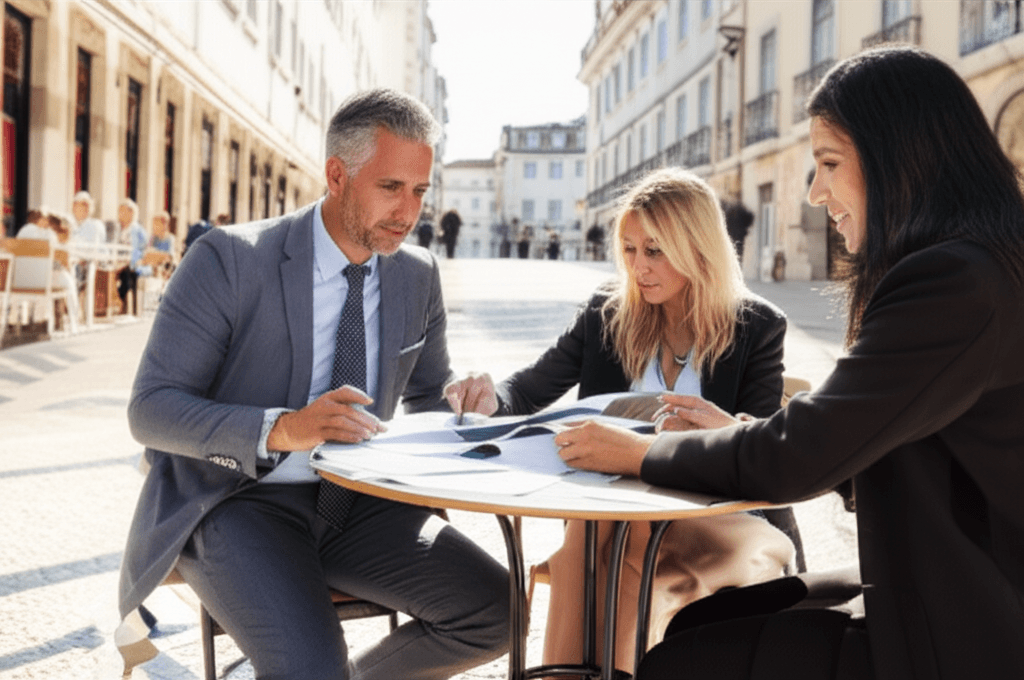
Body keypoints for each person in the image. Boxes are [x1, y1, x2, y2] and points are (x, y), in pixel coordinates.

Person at [547, 47, 1024, 680]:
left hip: (972, 626)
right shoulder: (982, 264)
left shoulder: (954, 281)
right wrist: (741, 429)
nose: (815, 192)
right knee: (698, 626)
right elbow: (869, 443)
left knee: (681, 661)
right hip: (963, 586)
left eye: (829, 163)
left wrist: (636, 453)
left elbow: (801, 456)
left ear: (900, 160)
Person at [116, 88, 509, 680]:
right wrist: (282, 428)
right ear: (336, 174)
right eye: (391, 187)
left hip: (361, 504)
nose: (409, 211)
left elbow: (429, 391)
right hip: (239, 501)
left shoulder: (417, 275)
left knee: (500, 611)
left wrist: (462, 397)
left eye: (420, 191)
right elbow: (150, 408)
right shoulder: (228, 259)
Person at [446, 167, 800, 674]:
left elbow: (763, 442)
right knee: (599, 543)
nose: (638, 267)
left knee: (593, 553)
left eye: (655, 250)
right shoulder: (607, 314)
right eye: (629, 249)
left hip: (720, 520)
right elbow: (524, 390)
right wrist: (486, 396)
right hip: (611, 518)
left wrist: (722, 426)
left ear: (697, 248)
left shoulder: (757, 326)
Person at [115, 198, 148, 315]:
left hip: (133, 263)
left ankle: (124, 305)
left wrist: (131, 261)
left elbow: (142, 250)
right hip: (117, 260)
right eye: (119, 211)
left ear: (131, 213)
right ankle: (111, 303)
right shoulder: (117, 228)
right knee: (106, 272)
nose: (119, 214)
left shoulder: (139, 231)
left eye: (123, 211)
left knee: (126, 273)